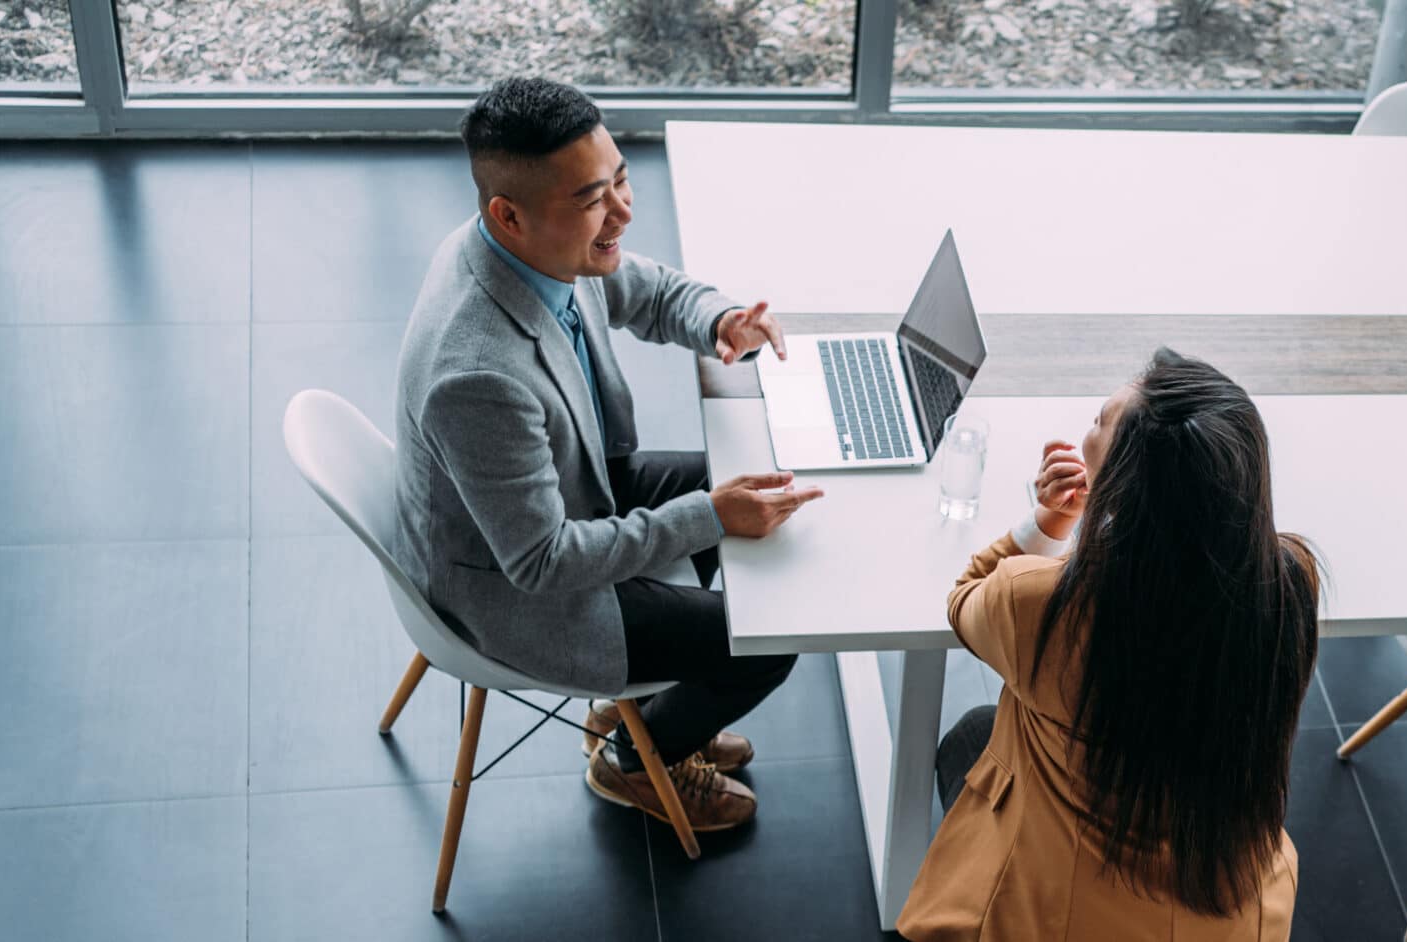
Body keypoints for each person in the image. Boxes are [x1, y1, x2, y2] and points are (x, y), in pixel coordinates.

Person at [390, 76, 818, 832]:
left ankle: (656, 716)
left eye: (621, 179)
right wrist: (709, 517)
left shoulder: (528, 251)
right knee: (770, 637)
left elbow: (643, 289)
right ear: (509, 215)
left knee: (756, 490)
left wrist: (718, 318)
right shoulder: (476, 374)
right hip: (520, 593)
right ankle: (632, 757)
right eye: (594, 199)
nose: (621, 211)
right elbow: (543, 563)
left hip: (575, 487)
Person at [900, 348, 1322, 941]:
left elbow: (965, 598)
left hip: (1061, 920)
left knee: (971, 738)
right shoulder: (1286, 590)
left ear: (1125, 487)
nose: (1088, 428)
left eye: (1099, 421)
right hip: (1228, 912)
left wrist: (1048, 523)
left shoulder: (1039, 605)